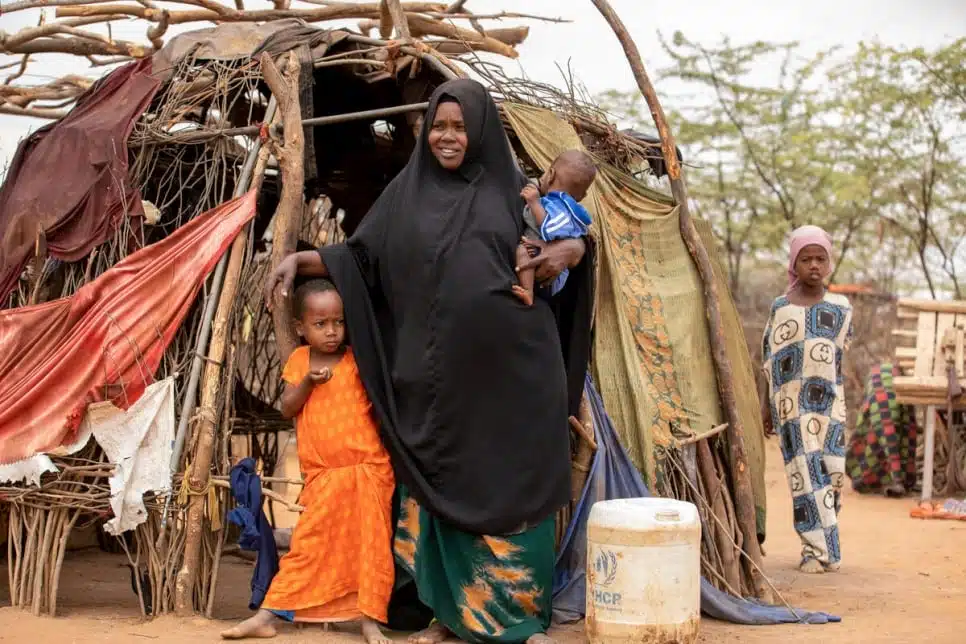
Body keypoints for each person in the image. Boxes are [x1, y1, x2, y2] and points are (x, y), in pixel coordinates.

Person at [264, 79, 594, 644]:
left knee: (515, 489)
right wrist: (303, 257)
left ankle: (517, 617)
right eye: (439, 126)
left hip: (512, 378)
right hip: (434, 383)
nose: (447, 136)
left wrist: (571, 250)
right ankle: (449, 616)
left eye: (459, 127)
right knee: (438, 486)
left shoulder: (513, 192)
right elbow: (362, 259)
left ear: (481, 130)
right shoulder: (405, 195)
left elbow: (570, 242)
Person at [222, 279, 395, 642]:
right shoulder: (300, 361)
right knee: (309, 546)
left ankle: (368, 619)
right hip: (324, 477)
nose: (331, 331)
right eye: (321, 324)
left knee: (371, 549)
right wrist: (308, 385)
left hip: (367, 472)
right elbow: (287, 407)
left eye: (338, 322)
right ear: (301, 328)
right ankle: (269, 614)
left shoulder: (357, 360)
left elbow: (380, 411)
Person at [761, 225, 853, 574]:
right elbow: (768, 363)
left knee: (833, 476)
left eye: (820, 258)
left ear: (829, 263)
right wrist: (764, 407)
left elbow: (840, 357)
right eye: (806, 259)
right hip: (792, 408)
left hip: (830, 406)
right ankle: (813, 550)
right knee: (805, 476)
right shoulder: (780, 308)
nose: (813, 265)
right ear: (794, 264)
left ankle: (825, 540)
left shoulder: (842, 308)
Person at [512, 150, 597, 306]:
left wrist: (535, 203)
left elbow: (550, 229)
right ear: (583, 196)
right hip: (542, 261)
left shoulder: (560, 207)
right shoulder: (562, 206)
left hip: (548, 275)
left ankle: (528, 292)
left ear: (550, 174)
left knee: (522, 252)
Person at [846, 362, 919, 497]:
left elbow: (860, 431)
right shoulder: (901, 397)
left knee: (882, 438)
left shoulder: (874, 383)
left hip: (881, 404)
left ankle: (892, 480)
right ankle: (897, 479)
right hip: (890, 402)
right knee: (895, 437)